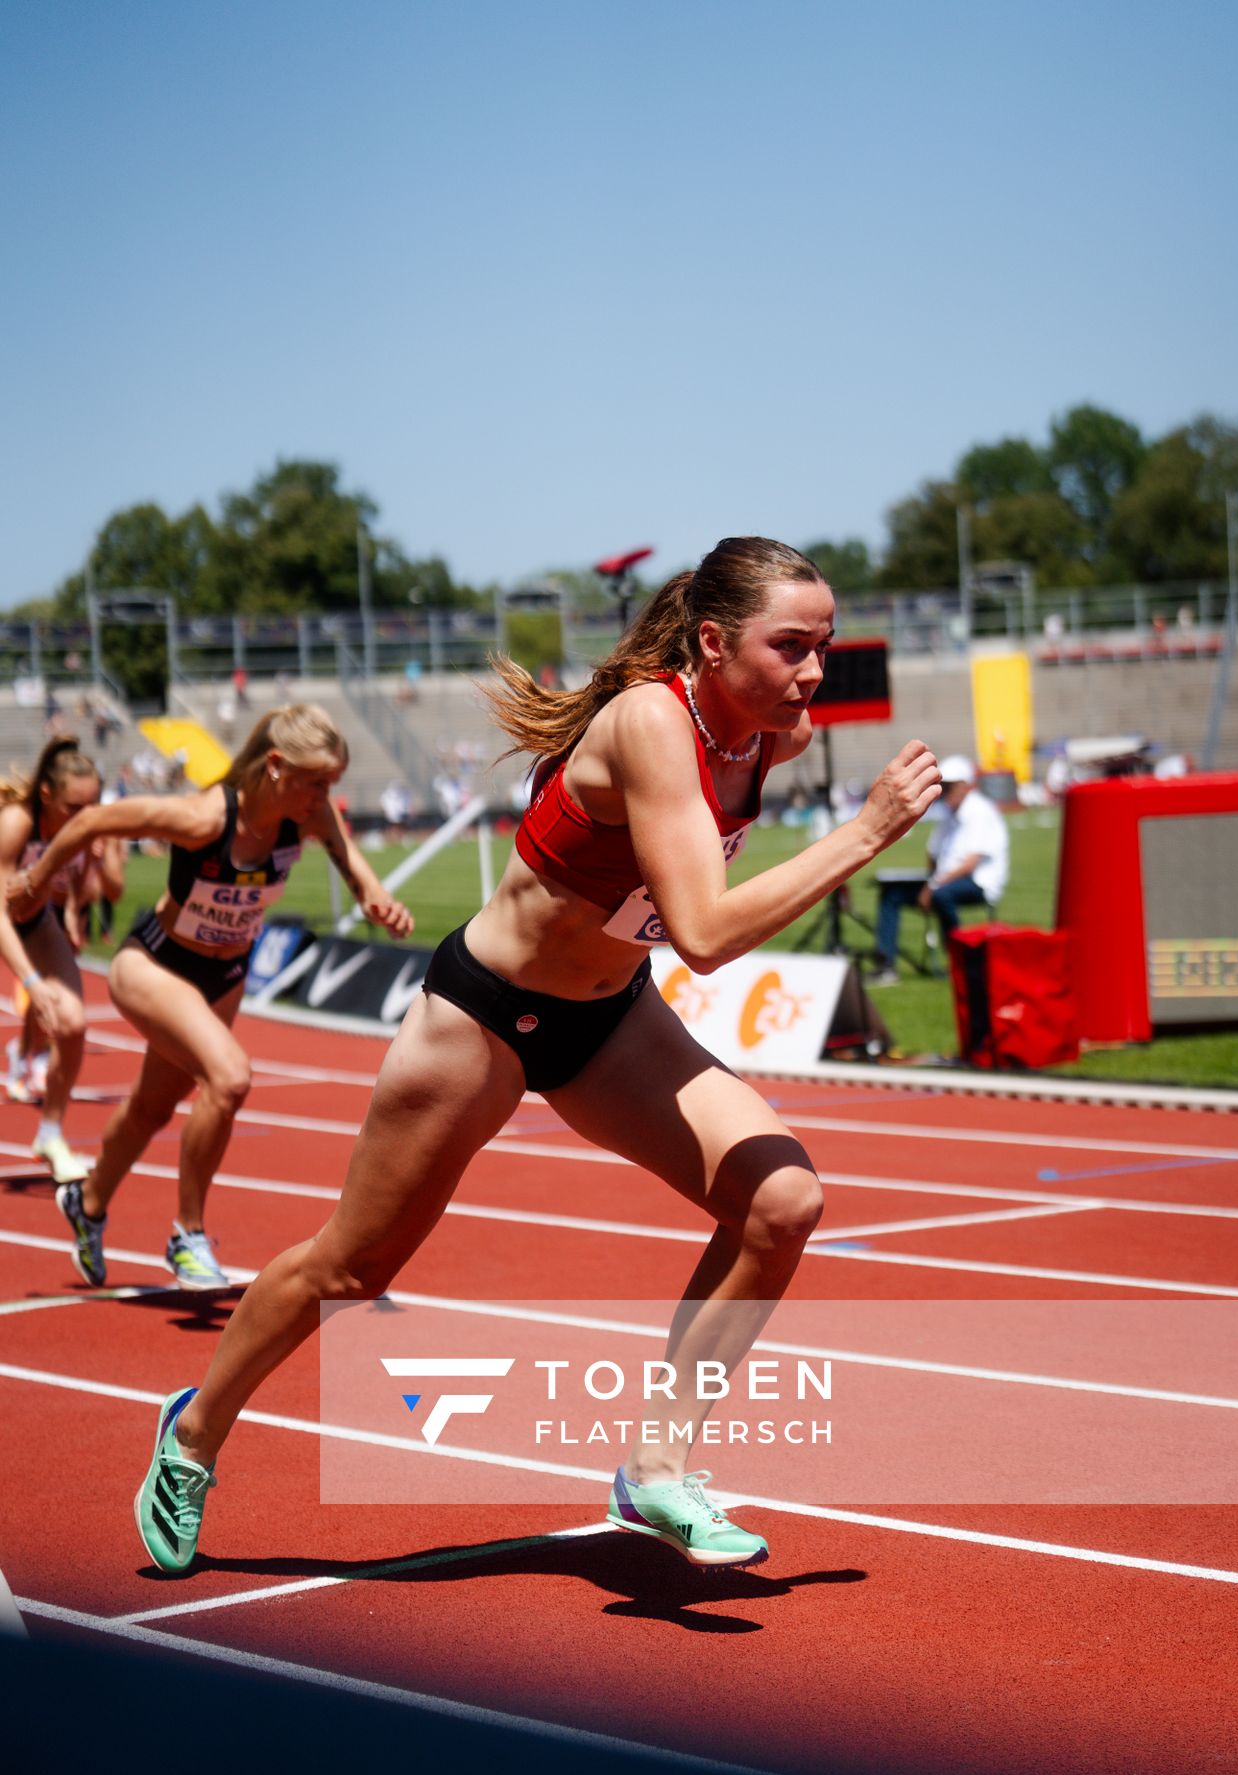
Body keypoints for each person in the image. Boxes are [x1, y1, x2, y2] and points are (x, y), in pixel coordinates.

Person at [124, 537, 940, 1577]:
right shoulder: (651, 721)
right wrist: (865, 832)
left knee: (780, 1203)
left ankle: (654, 1465)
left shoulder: (769, 737)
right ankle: (193, 1430)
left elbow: (662, 923)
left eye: (821, 647)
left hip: (607, 1021)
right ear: (709, 641)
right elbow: (700, 929)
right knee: (352, 1263)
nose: (811, 671)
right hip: (484, 1016)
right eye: (789, 647)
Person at [6, 704, 413, 1292]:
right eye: (317, 781)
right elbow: (94, 823)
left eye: (333, 783)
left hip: (224, 979)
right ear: (276, 766)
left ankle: (88, 1202)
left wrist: (379, 902)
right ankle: (187, 1235)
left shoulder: (311, 815)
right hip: (153, 964)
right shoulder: (202, 817)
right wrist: (36, 880)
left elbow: (360, 875)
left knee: (151, 1107)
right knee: (229, 1078)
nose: (327, 796)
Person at [0, 739, 123, 1180]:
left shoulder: (81, 828)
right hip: (5, 922)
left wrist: (72, 908)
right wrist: (32, 984)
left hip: (36, 923)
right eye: (75, 806)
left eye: (93, 805)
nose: (86, 817)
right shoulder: (17, 823)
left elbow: (89, 887)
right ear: (48, 796)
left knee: (72, 1025)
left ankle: (50, 1133)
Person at [872, 753, 1008, 983]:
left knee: (943, 896)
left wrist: (932, 886)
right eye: (942, 785)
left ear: (965, 786)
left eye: (949, 786)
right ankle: (886, 964)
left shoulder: (980, 811)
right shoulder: (949, 812)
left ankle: (960, 961)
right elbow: (933, 851)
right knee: (891, 894)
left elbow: (970, 864)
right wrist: (930, 880)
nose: (944, 791)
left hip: (978, 882)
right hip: (946, 880)